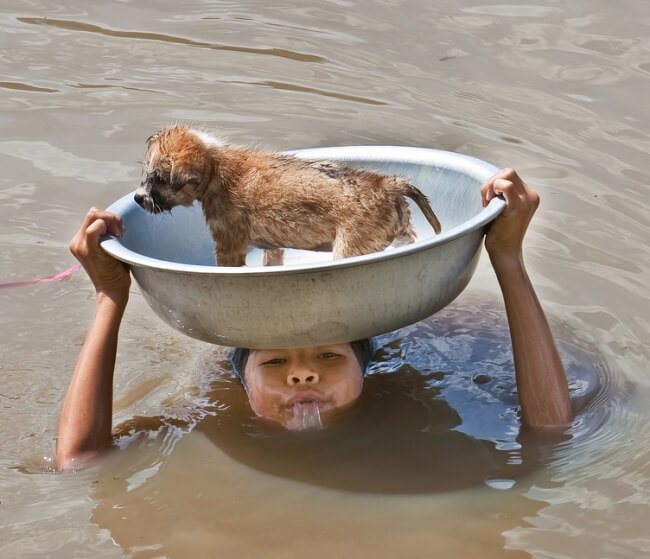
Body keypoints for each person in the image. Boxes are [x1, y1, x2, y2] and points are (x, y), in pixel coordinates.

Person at [55, 168, 573, 471]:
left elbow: (551, 432)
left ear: (367, 366)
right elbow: (79, 461)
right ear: (241, 380)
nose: (302, 374)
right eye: (275, 360)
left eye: (329, 355)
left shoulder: (411, 398)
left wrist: (508, 258)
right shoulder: (209, 417)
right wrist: (109, 298)